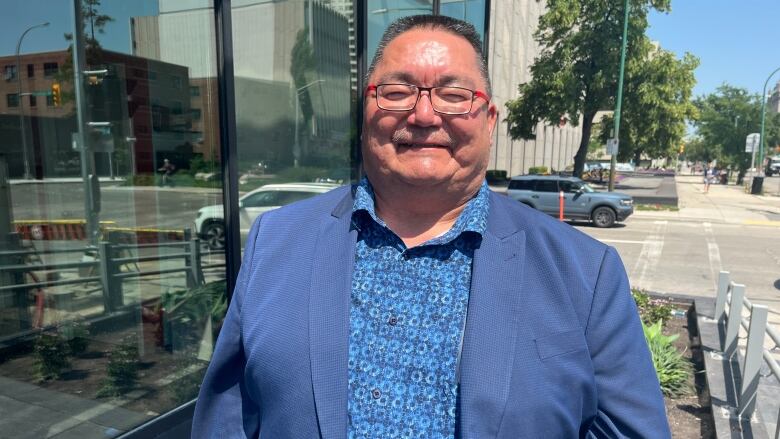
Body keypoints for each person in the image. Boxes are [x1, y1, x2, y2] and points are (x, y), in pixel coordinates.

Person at [192, 15, 669, 438]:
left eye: (454, 95)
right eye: (397, 92)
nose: (423, 114)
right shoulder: (275, 243)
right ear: (366, 110)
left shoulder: (584, 273)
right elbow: (228, 419)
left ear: (489, 119)